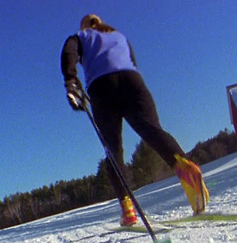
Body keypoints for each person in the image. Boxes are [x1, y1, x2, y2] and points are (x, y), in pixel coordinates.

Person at [61, 14, 209, 226]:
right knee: (152, 130)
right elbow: (133, 63)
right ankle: (186, 169)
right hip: (132, 81)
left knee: (113, 149)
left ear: (85, 26)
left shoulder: (80, 36)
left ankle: (128, 209)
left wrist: (71, 81)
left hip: (101, 87)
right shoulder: (119, 36)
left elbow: (69, 53)